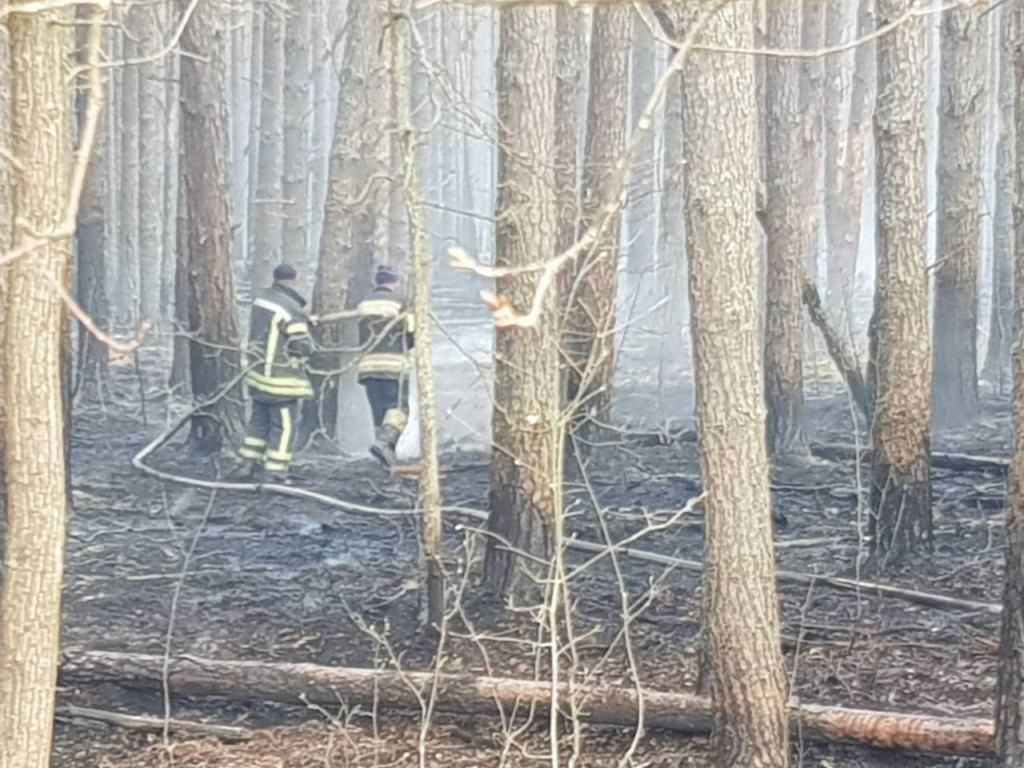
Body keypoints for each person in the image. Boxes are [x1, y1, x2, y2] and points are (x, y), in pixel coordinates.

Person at [231, 263, 314, 483]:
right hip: (280, 380)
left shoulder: (262, 301)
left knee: (259, 421)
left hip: (257, 377)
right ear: (294, 280)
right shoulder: (291, 309)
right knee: (285, 426)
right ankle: (275, 471)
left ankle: (246, 463)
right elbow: (301, 346)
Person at [356, 265, 415, 468]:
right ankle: (384, 444)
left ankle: (385, 457)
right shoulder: (400, 303)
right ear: (395, 282)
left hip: (367, 366)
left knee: (379, 411)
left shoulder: (364, 303)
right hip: (393, 365)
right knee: (398, 408)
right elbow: (412, 334)